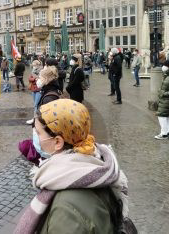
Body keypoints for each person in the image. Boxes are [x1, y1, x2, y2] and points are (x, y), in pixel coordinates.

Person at [14, 99, 129, 233]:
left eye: (38, 133)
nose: (35, 136)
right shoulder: (93, 164)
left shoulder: (66, 211)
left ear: (58, 142)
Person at [157, 61, 169, 139]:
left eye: (165, 65)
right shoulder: (166, 75)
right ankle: (167, 132)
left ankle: (164, 133)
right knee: (166, 116)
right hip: (164, 100)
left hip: (166, 100)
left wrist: (163, 93)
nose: (163, 67)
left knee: (161, 116)